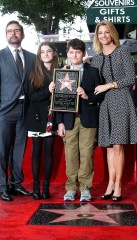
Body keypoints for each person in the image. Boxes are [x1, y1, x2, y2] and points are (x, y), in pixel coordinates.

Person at [91, 20, 137, 201]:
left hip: (121, 100)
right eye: (100, 33)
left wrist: (109, 85)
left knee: (118, 145)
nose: (103, 36)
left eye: (106, 32)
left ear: (112, 34)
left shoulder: (122, 52)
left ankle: (118, 184)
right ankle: (110, 183)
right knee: (110, 147)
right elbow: (92, 82)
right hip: (104, 104)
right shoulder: (96, 58)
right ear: (97, 36)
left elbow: (130, 78)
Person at [0, 20, 36, 201]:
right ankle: (2, 186)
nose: (13, 33)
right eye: (10, 31)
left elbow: (36, 81)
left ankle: (16, 184)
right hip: (5, 110)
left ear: (22, 34)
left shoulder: (32, 57)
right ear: (6, 35)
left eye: (17, 30)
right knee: (2, 150)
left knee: (19, 149)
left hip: (25, 109)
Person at [55, 38, 104, 202]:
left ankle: (85, 188)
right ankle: (71, 188)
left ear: (84, 53)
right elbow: (58, 100)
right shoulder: (62, 72)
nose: (74, 55)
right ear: (67, 54)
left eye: (78, 52)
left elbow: (100, 95)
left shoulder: (93, 71)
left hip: (88, 119)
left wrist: (86, 96)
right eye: (71, 52)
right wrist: (59, 122)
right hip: (68, 120)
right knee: (70, 155)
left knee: (87, 154)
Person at [24, 42, 58, 199]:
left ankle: (46, 187)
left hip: (52, 117)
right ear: (39, 55)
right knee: (36, 151)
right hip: (36, 117)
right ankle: (36, 186)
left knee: (49, 152)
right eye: (42, 51)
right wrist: (48, 91)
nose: (45, 54)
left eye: (48, 51)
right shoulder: (33, 72)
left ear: (54, 53)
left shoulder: (60, 72)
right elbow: (32, 96)